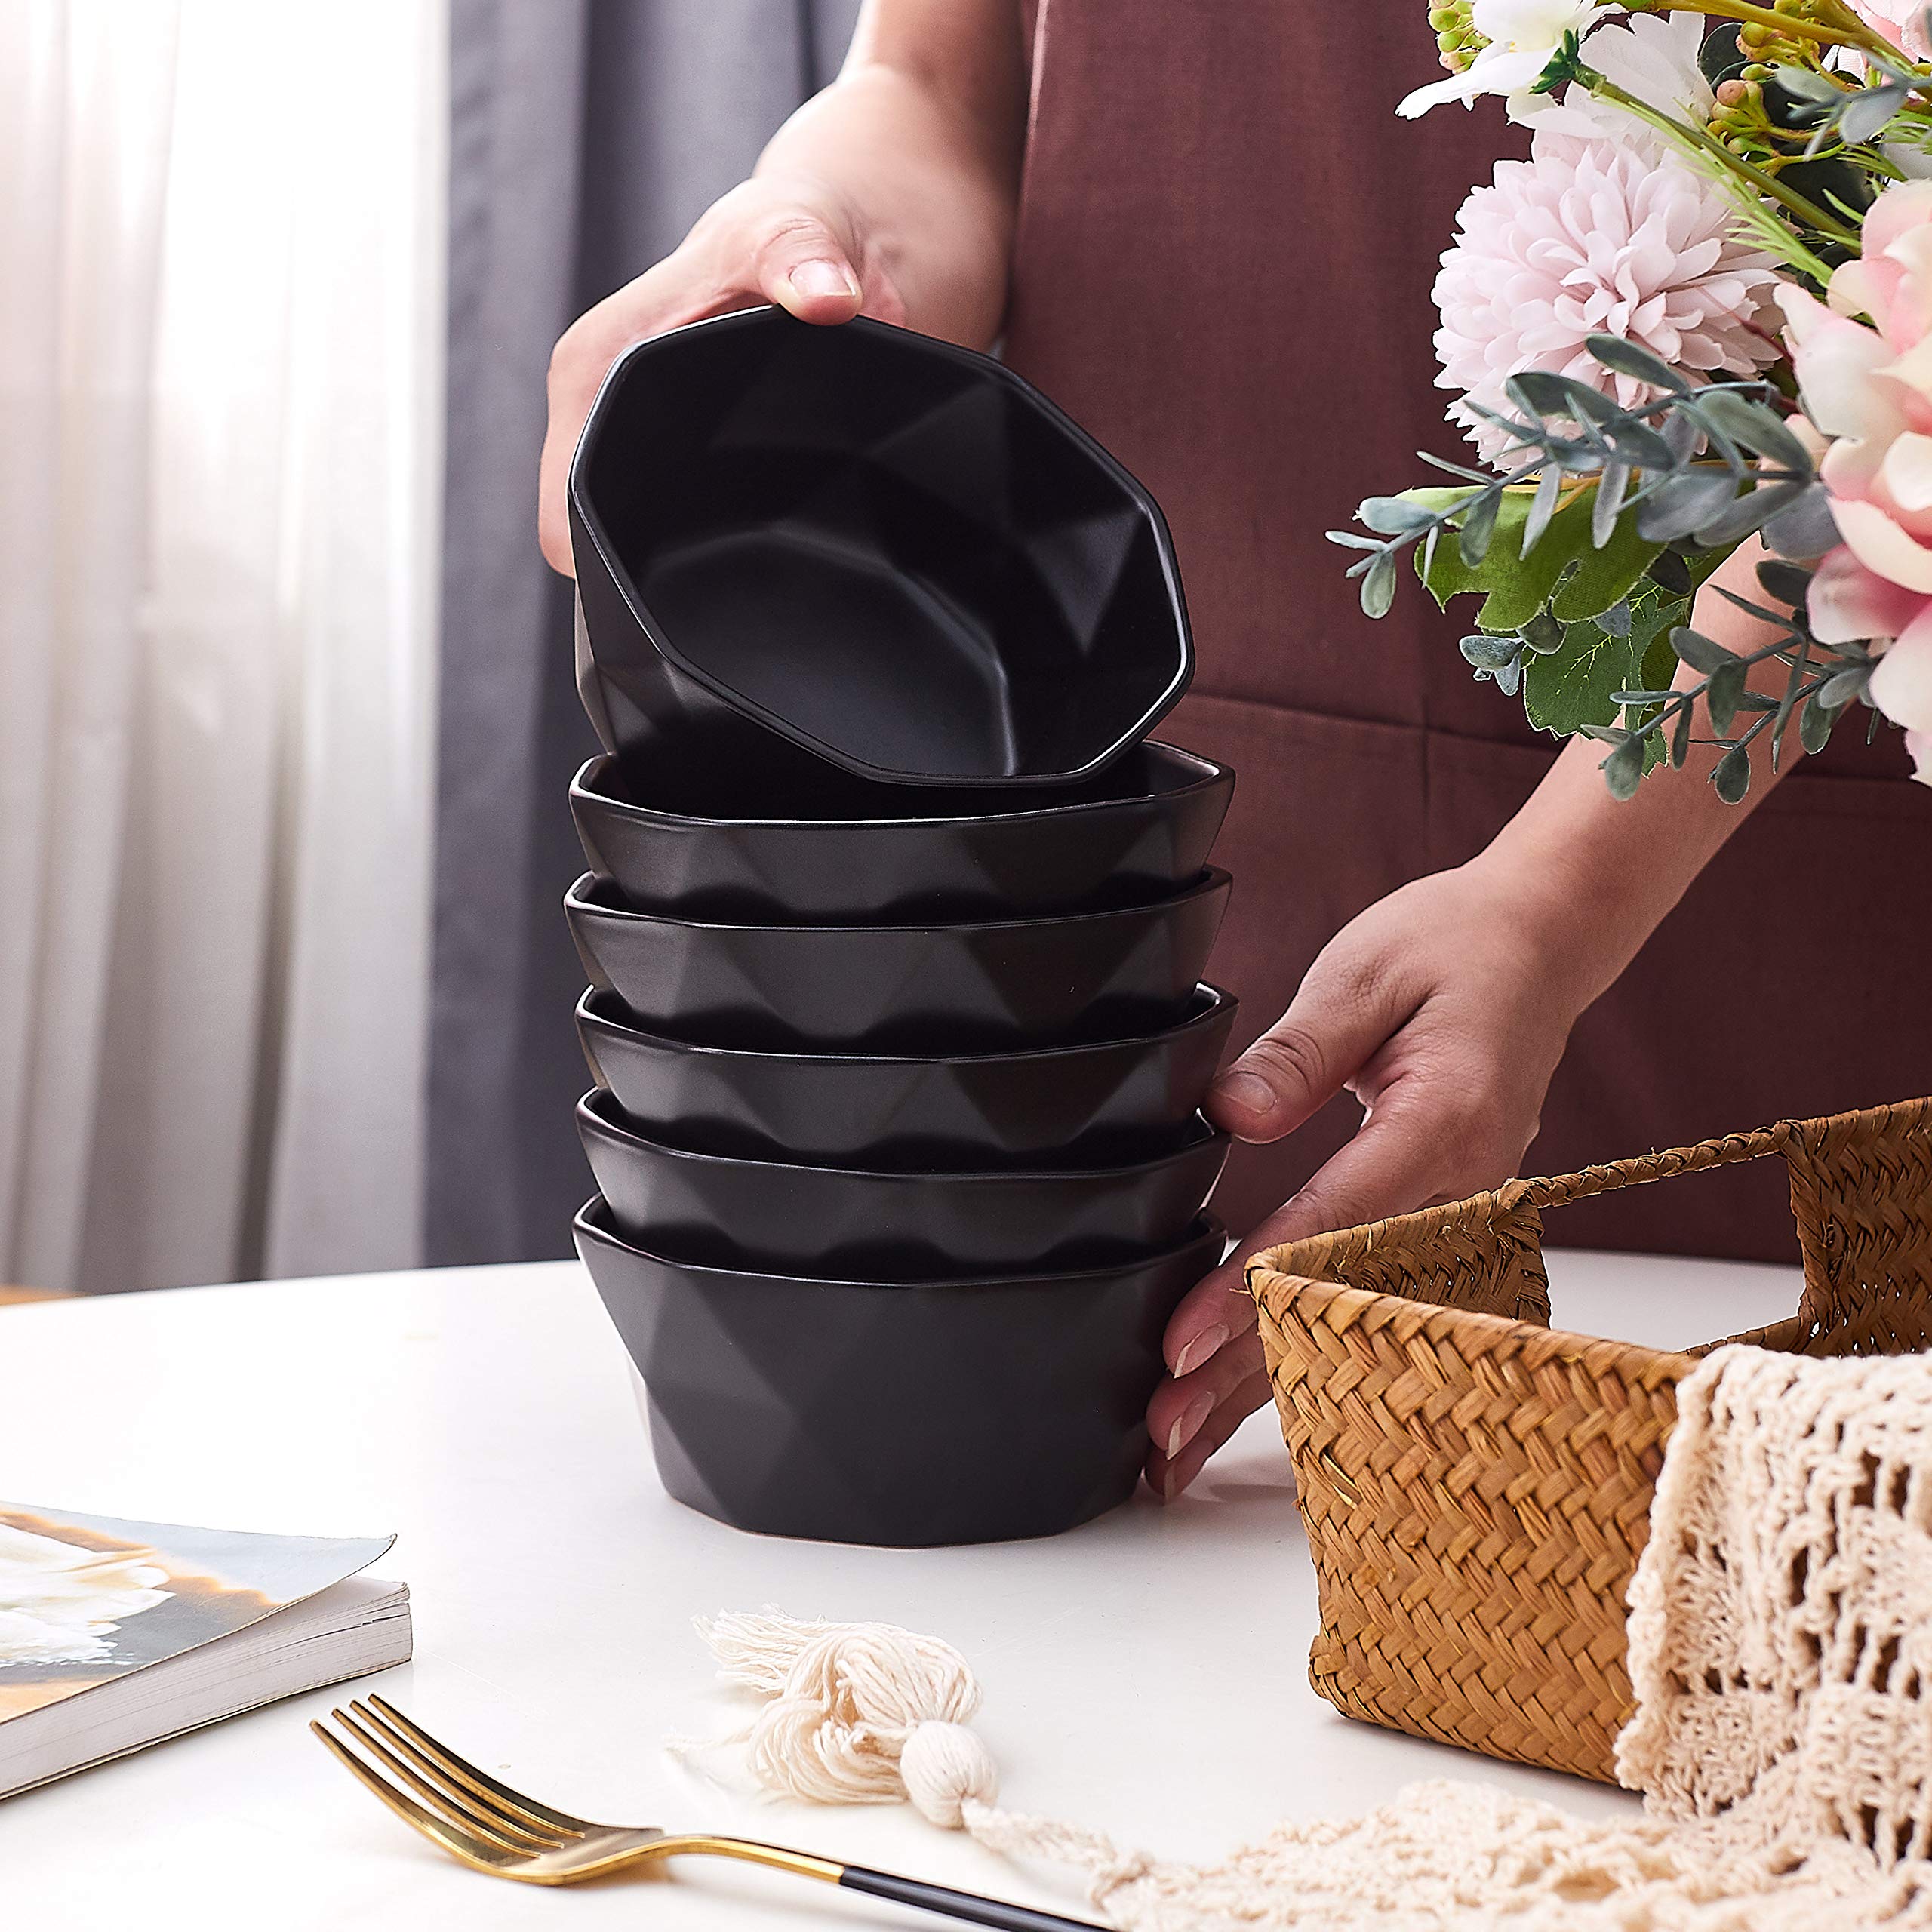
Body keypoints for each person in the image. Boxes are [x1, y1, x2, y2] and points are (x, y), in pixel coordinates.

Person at [538, 0, 1932, 1497]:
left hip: (1722, 884)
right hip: (1127, 842)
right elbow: (934, 81)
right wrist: (828, 234)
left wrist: (1559, 896)